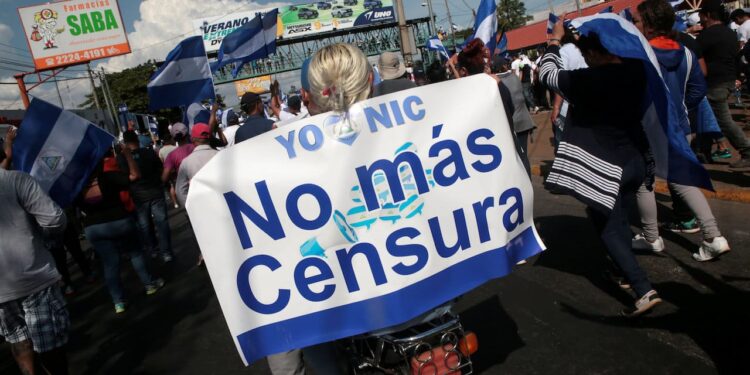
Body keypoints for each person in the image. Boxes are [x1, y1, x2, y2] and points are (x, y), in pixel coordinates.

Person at [540, 20, 661, 316]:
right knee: (617, 219)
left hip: (603, 167)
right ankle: (622, 271)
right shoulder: (636, 71)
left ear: (593, 54)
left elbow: (547, 73)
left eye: (588, 54)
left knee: (609, 227)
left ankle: (642, 288)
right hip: (634, 160)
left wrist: (555, 42)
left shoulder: (588, 80)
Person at [632, 0, 731, 261]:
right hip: (680, 126)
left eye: (637, 21)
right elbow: (699, 88)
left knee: (645, 183)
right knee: (683, 180)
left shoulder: (640, 56)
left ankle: (652, 237)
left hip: (649, 129)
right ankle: (713, 235)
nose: (634, 25)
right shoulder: (686, 52)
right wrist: (679, 109)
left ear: (651, 26)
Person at [1, 161, 70, 375]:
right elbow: (53, 219)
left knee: (18, 339)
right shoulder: (15, 180)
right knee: (50, 346)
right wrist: (43, 238)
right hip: (35, 279)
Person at [78, 148, 164, 313]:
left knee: (110, 264)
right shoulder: (107, 177)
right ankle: (149, 284)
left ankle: (118, 302)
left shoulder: (78, 185)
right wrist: (128, 156)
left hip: (93, 227)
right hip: (119, 221)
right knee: (136, 254)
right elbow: (134, 176)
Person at [697, 0, 750, 171]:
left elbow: (697, 56)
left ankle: (747, 151)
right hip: (727, 80)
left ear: (708, 16)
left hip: (715, 83)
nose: (700, 19)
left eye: (702, 15)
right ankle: (703, 151)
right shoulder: (729, 33)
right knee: (707, 116)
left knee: (723, 120)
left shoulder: (707, 35)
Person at [119, 130, 174, 262]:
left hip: (138, 197)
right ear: (137, 139)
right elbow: (160, 168)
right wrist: (160, 183)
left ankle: (153, 249)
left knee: (145, 225)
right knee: (161, 223)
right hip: (155, 191)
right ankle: (166, 252)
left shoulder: (122, 158)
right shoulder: (149, 152)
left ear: (125, 143)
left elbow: (125, 177)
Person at [492, 54, 536, 176]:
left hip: (513, 125)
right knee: (524, 155)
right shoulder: (514, 78)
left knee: (516, 158)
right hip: (525, 121)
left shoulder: (495, 83)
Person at [550, 26, 588, 151]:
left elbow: (561, 81)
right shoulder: (581, 49)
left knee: (563, 143)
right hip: (586, 101)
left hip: (568, 106)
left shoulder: (562, 52)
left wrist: (556, 107)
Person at [176, 123, 219, 207]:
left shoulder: (186, 162)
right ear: (210, 137)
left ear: (192, 139)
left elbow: (180, 191)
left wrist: (192, 209)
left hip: (202, 206)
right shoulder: (221, 155)